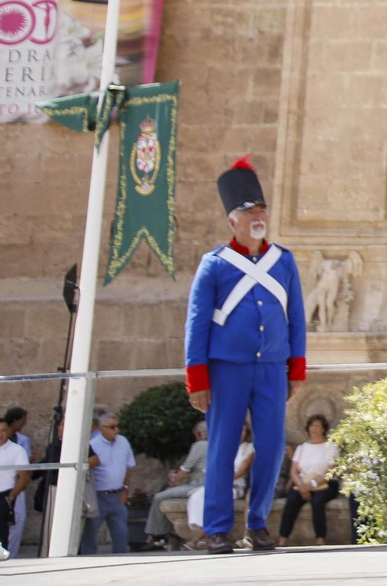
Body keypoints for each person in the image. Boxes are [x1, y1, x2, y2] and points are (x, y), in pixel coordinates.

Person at [184, 155, 306, 555]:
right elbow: (197, 323)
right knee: (221, 449)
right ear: (232, 220)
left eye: (261, 210)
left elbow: (296, 318)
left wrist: (296, 368)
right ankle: (218, 528)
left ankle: (257, 524)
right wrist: (197, 378)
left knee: (270, 448)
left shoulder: (283, 261)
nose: (257, 216)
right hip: (226, 370)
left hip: (271, 368)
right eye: (248, 211)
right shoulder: (214, 264)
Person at [142, 420, 208, 549]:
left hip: (196, 486)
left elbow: (185, 468)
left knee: (159, 497)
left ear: (200, 433)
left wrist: (174, 480)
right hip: (204, 484)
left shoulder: (200, 445)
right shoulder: (216, 444)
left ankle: (156, 535)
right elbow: (200, 470)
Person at [278, 414, 340, 546]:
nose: (314, 428)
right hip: (303, 483)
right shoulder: (301, 448)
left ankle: (320, 538)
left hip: (325, 484)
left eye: (317, 425)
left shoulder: (331, 447)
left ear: (323, 428)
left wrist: (312, 485)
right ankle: (283, 538)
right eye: (312, 425)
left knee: (318, 502)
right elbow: (293, 471)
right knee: (292, 500)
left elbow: (330, 471)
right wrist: (302, 486)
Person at [80, 411, 136, 554]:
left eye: (117, 426)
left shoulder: (123, 442)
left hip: (117, 495)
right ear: (101, 428)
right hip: (98, 495)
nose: (116, 430)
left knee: (121, 534)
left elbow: (129, 466)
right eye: (112, 427)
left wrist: (125, 488)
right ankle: (87, 562)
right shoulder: (92, 445)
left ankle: (120, 562)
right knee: (90, 534)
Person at [1, 409, 29, 557]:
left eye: (4, 430)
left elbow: (24, 477)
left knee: (4, 533)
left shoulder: (16, 450)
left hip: (4, 496)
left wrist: (10, 497)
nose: (1, 434)